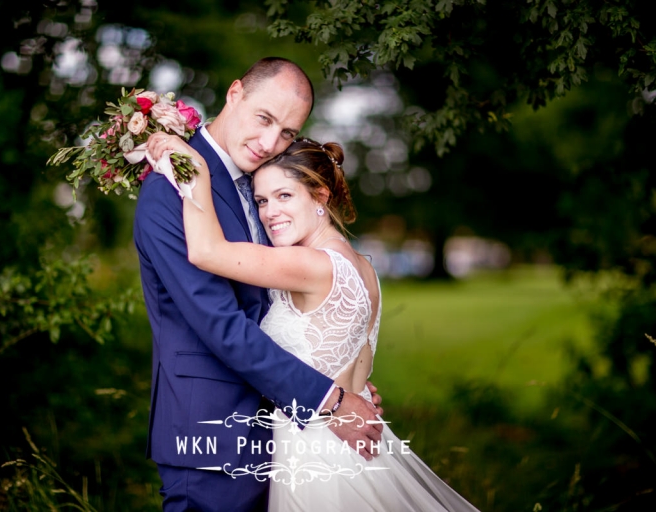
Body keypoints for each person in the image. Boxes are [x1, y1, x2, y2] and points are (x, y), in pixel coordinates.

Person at [148, 133, 482, 511]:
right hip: (356, 443)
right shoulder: (364, 267)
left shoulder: (310, 265)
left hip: (316, 452)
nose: (270, 212)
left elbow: (208, 251)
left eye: (284, 196)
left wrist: (192, 167)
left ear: (321, 197)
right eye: (261, 200)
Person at [134, 57, 383, 512]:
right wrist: (329, 398)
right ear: (234, 94)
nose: (271, 142)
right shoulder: (174, 185)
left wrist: (345, 385)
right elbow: (221, 324)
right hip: (210, 432)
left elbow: (281, 310)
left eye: (287, 133)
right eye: (264, 119)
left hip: (280, 431)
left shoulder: (259, 184)